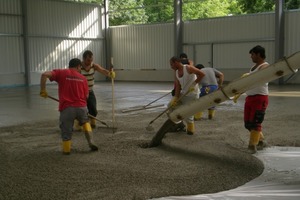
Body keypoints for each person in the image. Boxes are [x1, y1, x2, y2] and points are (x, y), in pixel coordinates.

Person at [40, 58, 98, 155]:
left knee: (66, 128)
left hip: (67, 108)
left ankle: (67, 150)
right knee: (85, 122)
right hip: (81, 107)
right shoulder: (83, 78)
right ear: (78, 66)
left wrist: (43, 90)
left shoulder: (61, 73)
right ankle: (91, 141)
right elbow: (86, 96)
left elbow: (44, 75)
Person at [75, 50, 115, 129]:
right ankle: (78, 123)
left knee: (93, 107)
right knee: (80, 109)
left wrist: (110, 74)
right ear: (83, 59)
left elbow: (102, 70)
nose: (90, 62)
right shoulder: (79, 67)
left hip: (90, 91)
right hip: (80, 92)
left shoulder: (94, 66)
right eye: (88, 60)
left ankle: (92, 122)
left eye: (91, 60)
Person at [169, 56, 205, 135]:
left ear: (176, 62)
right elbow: (178, 86)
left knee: (188, 113)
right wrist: (175, 97)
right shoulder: (176, 72)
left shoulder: (188, 68)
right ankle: (179, 124)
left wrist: (194, 84)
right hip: (184, 93)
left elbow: (202, 74)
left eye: (171, 64)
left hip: (193, 94)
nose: (171, 67)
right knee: (171, 106)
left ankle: (190, 128)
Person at [244, 45, 269, 154]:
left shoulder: (265, 66)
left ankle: (252, 146)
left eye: (252, 54)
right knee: (248, 123)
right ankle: (261, 140)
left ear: (258, 54)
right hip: (250, 97)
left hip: (260, 97)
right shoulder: (253, 67)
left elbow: (259, 76)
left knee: (255, 122)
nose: (251, 57)